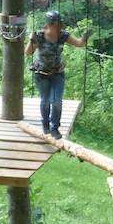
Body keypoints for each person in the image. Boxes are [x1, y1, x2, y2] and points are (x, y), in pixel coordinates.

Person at [25, 10, 90, 140]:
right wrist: (32, 41)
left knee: (57, 102)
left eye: (60, 24)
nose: (59, 26)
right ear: (49, 25)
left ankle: (55, 127)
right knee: (46, 101)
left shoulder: (63, 36)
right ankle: (45, 124)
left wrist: (85, 37)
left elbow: (79, 44)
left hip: (57, 73)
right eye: (56, 24)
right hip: (41, 73)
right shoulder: (39, 36)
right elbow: (28, 53)